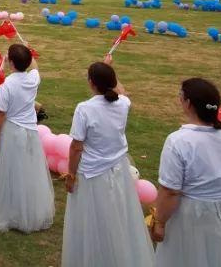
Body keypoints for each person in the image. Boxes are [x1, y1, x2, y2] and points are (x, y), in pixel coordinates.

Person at [150, 77, 221, 266]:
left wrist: (159, 222)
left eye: (181, 97)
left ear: (188, 104)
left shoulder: (178, 141)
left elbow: (170, 190)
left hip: (193, 216)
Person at [61, 56, 153, 267]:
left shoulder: (85, 109)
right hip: (117, 167)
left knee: (92, 217)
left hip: (93, 172)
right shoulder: (123, 103)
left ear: (91, 83)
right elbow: (121, 92)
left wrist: (71, 174)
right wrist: (110, 71)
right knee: (117, 210)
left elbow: (76, 146)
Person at [0, 44, 54, 233]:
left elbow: (1, 114)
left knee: (8, 170)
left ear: (11, 62)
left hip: (12, 130)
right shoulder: (32, 79)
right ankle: (24, 208)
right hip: (29, 131)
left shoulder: (8, 85)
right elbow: (35, 67)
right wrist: (28, 52)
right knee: (26, 168)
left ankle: (9, 210)